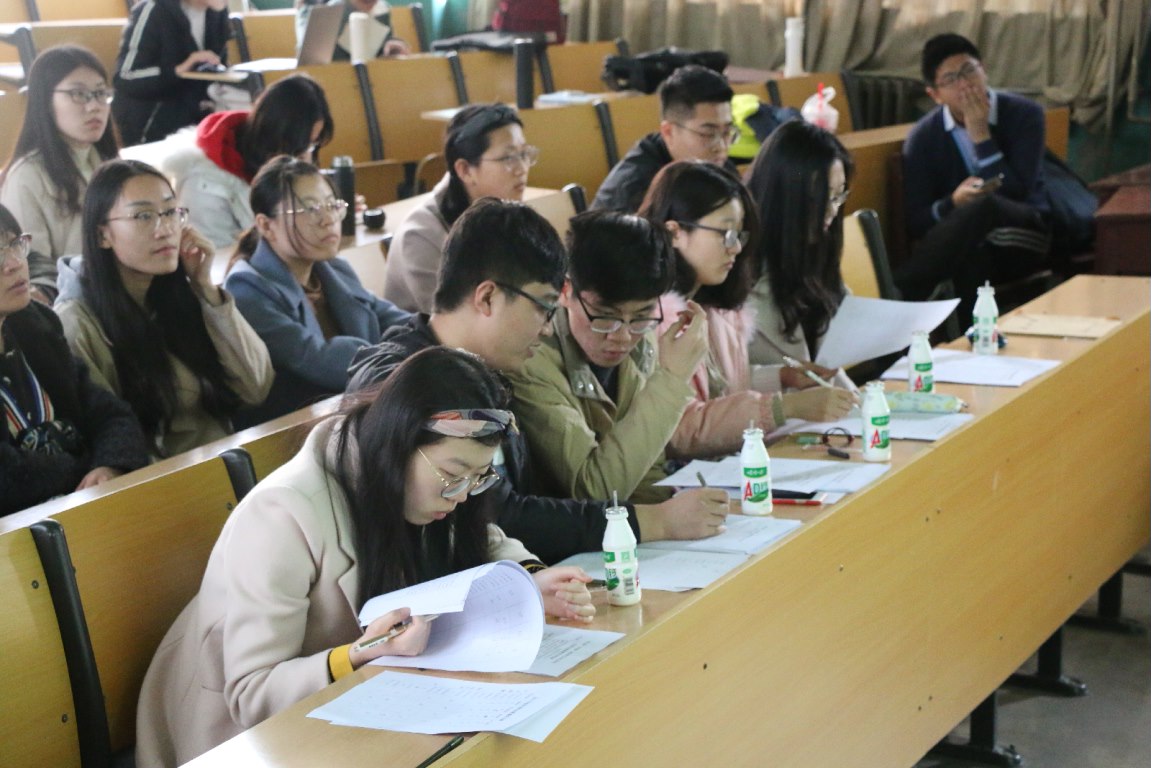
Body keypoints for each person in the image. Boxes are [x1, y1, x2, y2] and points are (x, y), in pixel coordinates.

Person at [135, 346, 594, 766]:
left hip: (364, 711)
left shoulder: (426, 482)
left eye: (479, 478)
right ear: (400, 443)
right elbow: (252, 693)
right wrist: (362, 653)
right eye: (454, 475)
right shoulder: (283, 514)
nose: (461, 496)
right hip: (245, 740)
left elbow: (484, 539)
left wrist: (530, 579)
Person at [348, 199, 729, 562]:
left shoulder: (484, 371)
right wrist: (653, 522)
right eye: (544, 308)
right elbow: (499, 514)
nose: (548, 329)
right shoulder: (397, 379)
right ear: (487, 298)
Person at [54, 159, 273, 458]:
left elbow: (256, 387)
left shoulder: (179, 294)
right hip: (168, 480)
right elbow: (113, 440)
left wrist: (206, 289)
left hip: (225, 463)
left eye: (170, 212)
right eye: (143, 216)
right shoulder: (78, 325)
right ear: (101, 235)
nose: (165, 229)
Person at [639, 160, 856, 459]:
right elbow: (680, 432)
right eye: (726, 234)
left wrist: (783, 377)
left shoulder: (716, 308)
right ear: (675, 232)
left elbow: (723, 388)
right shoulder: (650, 321)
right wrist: (783, 407)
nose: (736, 248)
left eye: (740, 235)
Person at [505, 209, 710, 504]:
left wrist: (673, 513)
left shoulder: (642, 336)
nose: (623, 336)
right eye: (604, 316)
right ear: (565, 290)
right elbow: (592, 490)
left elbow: (645, 470)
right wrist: (672, 380)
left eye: (641, 316)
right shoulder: (530, 360)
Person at [225, 156, 409, 425]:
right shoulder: (247, 289)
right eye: (310, 209)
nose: (328, 219)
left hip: (361, 411)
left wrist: (432, 334)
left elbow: (391, 317)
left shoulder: (333, 269)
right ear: (266, 225)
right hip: (300, 429)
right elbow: (318, 359)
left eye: (332, 205)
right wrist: (404, 356)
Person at [0, 204, 149, 516]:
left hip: (84, 510)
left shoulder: (35, 328)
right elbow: (8, 479)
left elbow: (112, 415)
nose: (14, 263)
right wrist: (85, 465)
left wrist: (108, 467)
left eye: (14, 244)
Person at [894, 33, 1051, 327]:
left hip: (1027, 234)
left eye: (969, 70)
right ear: (935, 95)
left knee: (985, 206)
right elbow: (917, 220)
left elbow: (1019, 192)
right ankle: (971, 345)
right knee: (970, 258)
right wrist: (953, 203)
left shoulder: (1025, 114)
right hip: (968, 244)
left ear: (984, 70)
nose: (965, 84)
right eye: (951, 79)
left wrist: (981, 136)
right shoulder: (923, 138)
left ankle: (902, 291)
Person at [383, 103, 538, 314]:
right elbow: (449, 322)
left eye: (524, 153)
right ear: (465, 170)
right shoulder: (421, 236)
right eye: (508, 158)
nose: (522, 168)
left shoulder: (508, 212)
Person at [744, 120, 860, 394]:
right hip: (762, 417)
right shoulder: (733, 262)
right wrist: (779, 376)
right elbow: (712, 381)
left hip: (815, 412)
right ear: (785, 194)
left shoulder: (815, 249)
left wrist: (860, 405)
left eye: (838, 196)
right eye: (820, 198)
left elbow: (826, 368)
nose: (831, 212)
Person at [0, 45, 119, 304]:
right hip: (70, 306)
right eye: (79, 94)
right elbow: (32, 271)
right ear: (45, 101)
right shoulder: (27, 177)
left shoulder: (108, 163)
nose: (94, 106)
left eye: (101, 93)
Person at [161, 73, 334, 249]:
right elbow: (215, 257)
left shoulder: (277, 158)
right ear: (276, 135)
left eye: (313, 144)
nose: (306, 158)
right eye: (300, 147)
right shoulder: (205, 184)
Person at [591, 64, 736, 213]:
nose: (722, 147)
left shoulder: (715, 164)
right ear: (669, 132)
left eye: (727, 132)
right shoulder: (635, 194)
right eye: (708, 134)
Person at [112, 0, 230, 146]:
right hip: (150, 133)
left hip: (195, 128)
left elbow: (216, 69)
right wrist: (178, 70)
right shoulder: (153, 9)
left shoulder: (217, 12)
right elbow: (124, 77)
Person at [295, 0, 410, 62]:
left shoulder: (381, 10)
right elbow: (310, 59)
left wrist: (394, 47)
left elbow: (386, 44)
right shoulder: (321, 11)